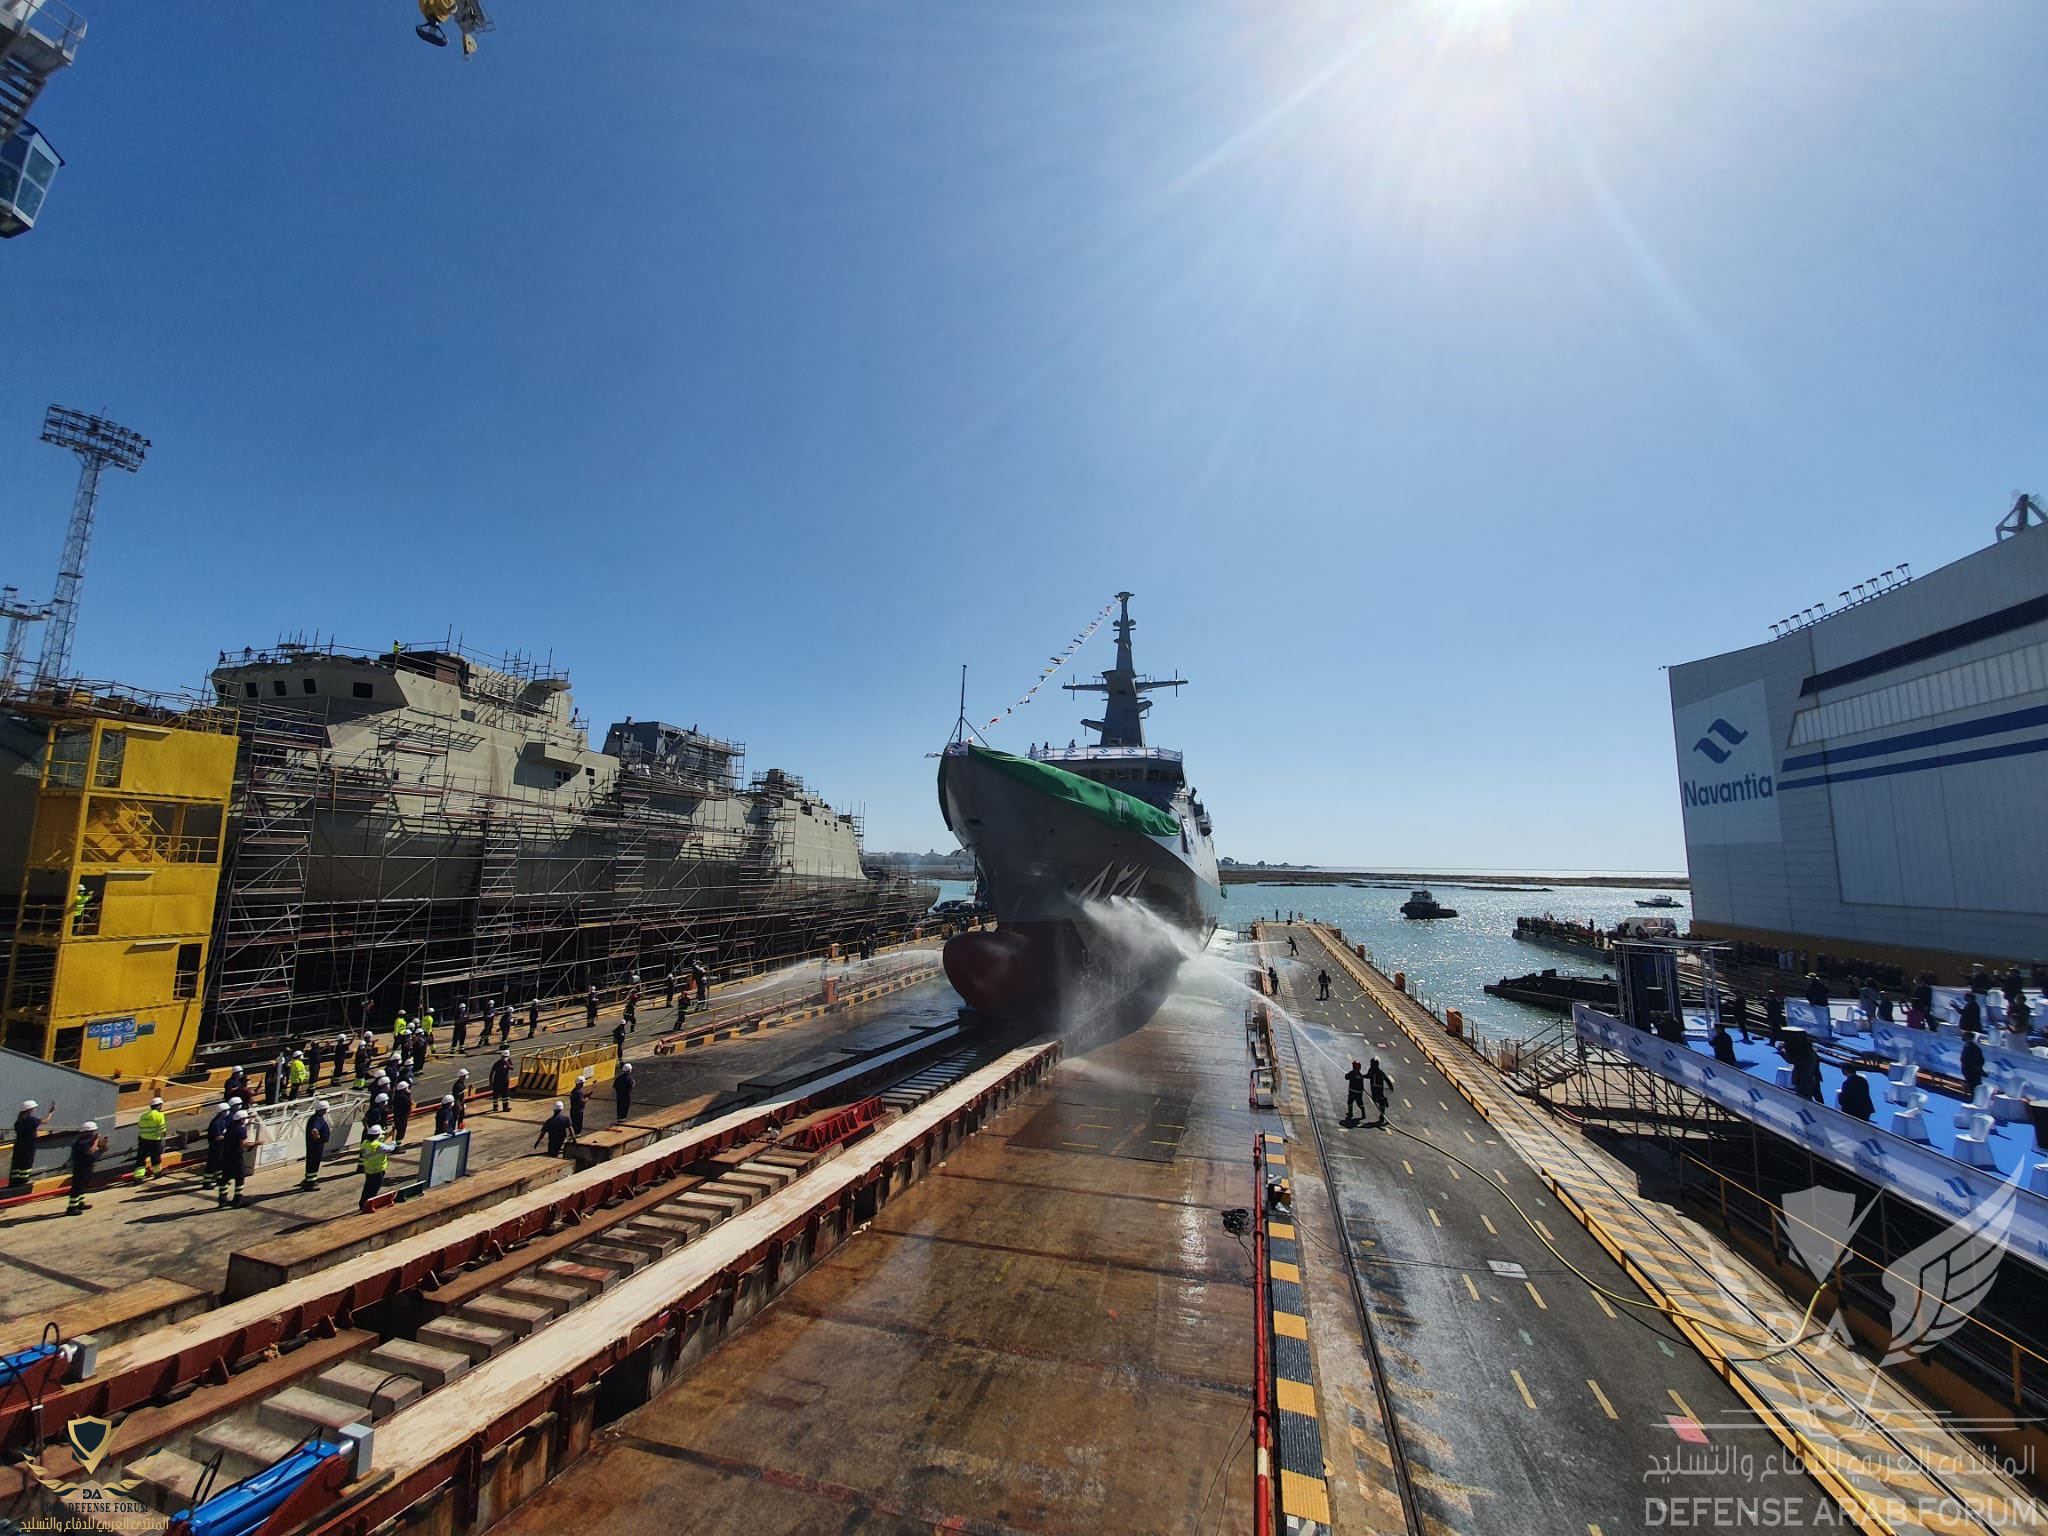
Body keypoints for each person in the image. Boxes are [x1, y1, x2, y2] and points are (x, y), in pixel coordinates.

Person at [66, 1122, 104, 1215]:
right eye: (92, 1131)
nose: (94, 1133)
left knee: (83, 1186)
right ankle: (72, 1208)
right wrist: (96, 1142)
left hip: (87, 1167)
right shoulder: (81, 1143)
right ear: (86, 1132)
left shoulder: (86, 1141)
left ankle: (80, 1203)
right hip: (81, 1168)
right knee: (77, 1187)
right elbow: (91, 1152)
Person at [10, 1099, 51, 1186]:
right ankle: (24, 1181)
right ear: (30, 1109)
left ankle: (15, 1181)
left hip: (19, 1145)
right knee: (26, 1163)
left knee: (18, 1164)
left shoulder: (18, 1121)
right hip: (28, 1146)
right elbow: (46, 1121)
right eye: (34, 1108)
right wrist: (51, 1113)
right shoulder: (30, 1119)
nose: (35, 1109)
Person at [218, 1109, 253, 1207]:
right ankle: (238, 1200)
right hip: (236, 1157)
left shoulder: (230, 1127)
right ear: (241, 1119)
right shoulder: (241, 1129)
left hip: (226, 1156)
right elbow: (243, 1144)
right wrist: (255, 1143)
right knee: (240, 1177)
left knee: (225, 1177)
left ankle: (222, 1199)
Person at [359, 1123, 395, 1208]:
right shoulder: (378, 1145)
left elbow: (379, 1142)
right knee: (374, 1189)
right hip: (378, 1171)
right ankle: (369, 1205)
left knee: (367, 1188)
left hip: (368, 1170)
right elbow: (390, 1148)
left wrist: (389, 1134)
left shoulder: (365, 1143)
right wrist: (394, 1142)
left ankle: (362, 1203)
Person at [135, 1096, 167, 1178]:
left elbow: (139, 1126)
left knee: (141, 1157)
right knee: (155, 1157)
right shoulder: (159, 1115)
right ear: (159, 1106)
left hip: (143, 1139)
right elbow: (162, 1128)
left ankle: (138, 1175)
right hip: (154, 1140)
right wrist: (163, 1135)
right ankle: (157, 1172)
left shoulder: (144, 1116)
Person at [302, 1101, 331, 1190]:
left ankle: (309, 1180)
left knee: (312, 1162)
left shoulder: (315, 1118)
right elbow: (314, 1130)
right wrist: (318, 1138)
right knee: (314, 1162)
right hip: (316, 1145)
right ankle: (311, 1183)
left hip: (314, 1144)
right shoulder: (317, 1119)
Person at [202, 1100, 231, 1189]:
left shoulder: (222, 1121)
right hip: (215, 1148)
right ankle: (206, 1183)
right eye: (226, 1111)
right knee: (212, 1165)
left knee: (220, 1164)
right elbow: (218, 1137)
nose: (227, 1112)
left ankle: (220, 1180)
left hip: (221, 1147)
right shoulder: (216, 1123)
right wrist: (229, 1137)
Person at [390, 1078, 414, 1145]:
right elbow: (410, 1103)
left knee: (399, 1130)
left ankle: (397, 1143)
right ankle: (397, 1145)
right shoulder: (403, 1097)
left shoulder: (397, 1095)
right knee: (401, 1130)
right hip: (401, 1117)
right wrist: (409, 1094)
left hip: (398, 1116)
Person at [1961, 1033, 1986, 1097]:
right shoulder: (1975, 1047)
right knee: (1975, 1087)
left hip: (1970, 1071)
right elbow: (1981, 1059)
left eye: (1964, 1036)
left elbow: (1964, 1059)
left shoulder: (1969, 1047)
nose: (1962, 1036)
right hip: (1973, 1071)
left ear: (1968, 1037)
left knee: (1974, 1088)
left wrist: (1976, 1068)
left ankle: (1976, 1099)